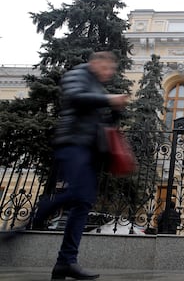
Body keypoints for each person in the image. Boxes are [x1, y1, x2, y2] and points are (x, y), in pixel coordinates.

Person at [31, 51, 129, 280]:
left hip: (90, 149)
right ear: (96, 63)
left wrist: (115, 112)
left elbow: (103, 122)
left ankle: (65, 262)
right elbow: (75, 97)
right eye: (107, 69)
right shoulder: (78, 74)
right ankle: (41, 212)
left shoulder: (97, 87)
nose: (109, 74)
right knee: (77, 194)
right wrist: (108, 100)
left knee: (83, 202)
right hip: (72, 144)